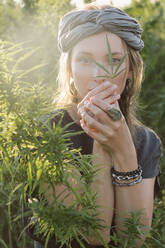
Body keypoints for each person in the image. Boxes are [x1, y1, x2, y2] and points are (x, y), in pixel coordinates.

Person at [32, 2, 162, 248]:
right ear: (70, 71)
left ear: (131, 70)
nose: (99, 73)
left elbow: (132, 239)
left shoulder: (146, 141)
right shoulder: (47, 135)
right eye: (84, 60)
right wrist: (103, 144)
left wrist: (124, 150)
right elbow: (93, 236)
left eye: (113, 59)